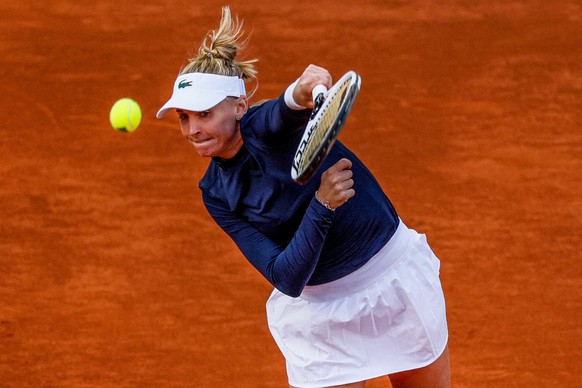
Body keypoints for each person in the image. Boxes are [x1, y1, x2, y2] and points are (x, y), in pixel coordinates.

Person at [156, 7, 450, 388]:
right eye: (184, 117)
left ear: (240, 107)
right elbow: (287, 277)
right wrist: (322, 204)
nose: (193, 130)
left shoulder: (264, 127)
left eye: (205, 114)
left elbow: (286, 108)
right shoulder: (215, 193)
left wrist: (303, 88)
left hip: (392, 284)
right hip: (320, 318)